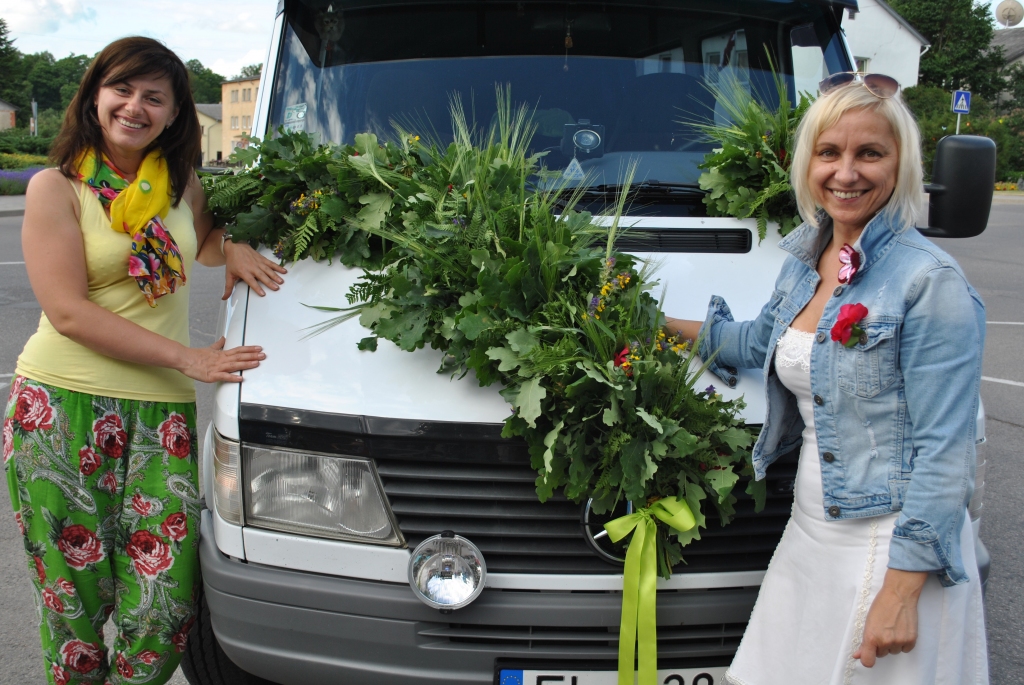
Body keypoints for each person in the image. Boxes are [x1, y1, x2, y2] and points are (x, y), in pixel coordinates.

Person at [665, 73, 988, 684]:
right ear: (806, 161)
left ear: (901, 165)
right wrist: (652, 322)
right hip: (811, 533)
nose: (846, 173)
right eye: (829, 152)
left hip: (886, 545)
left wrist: (899, 590)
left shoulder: (928, 283)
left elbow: (946, 452)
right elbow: (757, 344)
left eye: (870, 153)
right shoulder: (807, 261)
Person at [3, 37, 285, 685]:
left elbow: (205, 239)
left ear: (174, 111)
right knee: (72, 604)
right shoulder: (56, 187)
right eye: (122, 90)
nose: (135, 106)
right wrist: (188, 357)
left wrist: (231, 244)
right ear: (95, 97)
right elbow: (69, 311)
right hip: (59, 408)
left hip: (162, 419)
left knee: (165, 606)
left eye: (153, 96)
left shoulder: (180, 182)